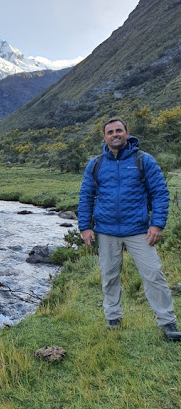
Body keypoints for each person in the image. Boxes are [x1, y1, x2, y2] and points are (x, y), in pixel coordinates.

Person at [78, 117, 180, 340]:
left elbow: (160, 193)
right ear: (104, 137)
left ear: (127, 133)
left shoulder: (143, 160)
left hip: (138, 230)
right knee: (109, 276)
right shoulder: (96, 164)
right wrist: (85, 227)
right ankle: (113, 318)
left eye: (119, 131)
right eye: (110, 132)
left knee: (153, 274)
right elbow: (86, 196)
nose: (115, 135)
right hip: (106, 231)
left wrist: (157, 224)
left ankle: (168, 322)